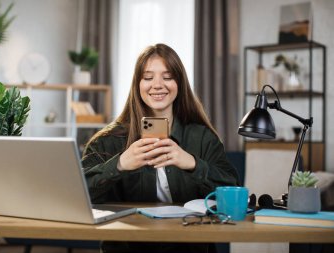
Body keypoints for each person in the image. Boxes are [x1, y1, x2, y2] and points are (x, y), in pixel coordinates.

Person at [82, 43, 240, 253]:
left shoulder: (202, 136)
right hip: (128, 247)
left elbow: (232, 191)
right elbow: (78, 195)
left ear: (179, 83)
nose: (157, 85)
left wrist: (192, 164)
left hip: (190, 247)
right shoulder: (107, 140)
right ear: (137, 84)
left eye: (167, 77)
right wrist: (119, 165)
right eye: (148, 78)